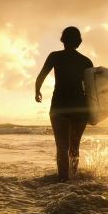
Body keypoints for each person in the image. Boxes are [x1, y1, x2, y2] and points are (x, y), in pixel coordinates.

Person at [35, 26, 93, 181]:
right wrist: (93, 111)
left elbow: (41, 75)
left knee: (62, 146)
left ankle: (63, 181)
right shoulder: (86, 61)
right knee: (74, 147)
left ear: (63, 40)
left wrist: (37, 91)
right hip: (80, 109)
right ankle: (73, 179)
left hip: (60, 107)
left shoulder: (55, 56)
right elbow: (92, 91)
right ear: (78, 41)